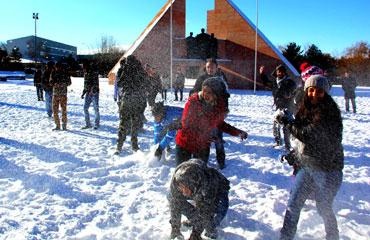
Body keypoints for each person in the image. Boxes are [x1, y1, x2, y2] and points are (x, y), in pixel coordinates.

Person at [275, 75, 344, 240]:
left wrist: (287, 123)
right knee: (293, 204)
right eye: (311, 90)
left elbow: (310, 135)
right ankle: (285, 237)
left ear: (325, 93)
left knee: (323, 207)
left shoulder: (330, 113)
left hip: (329, 170)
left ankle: (333, 236)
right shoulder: (305, 109)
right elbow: (302, 141)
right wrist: (295, 155)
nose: (314, 94)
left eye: (319, 91)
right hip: (308, 167)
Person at [175, 77, 247, 168]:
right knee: (181, 175)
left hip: (202, 146)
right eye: (217, 96)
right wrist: (204, 134)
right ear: (206, 93)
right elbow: (187, 125)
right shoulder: (193, 102)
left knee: (200, 175)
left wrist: (237, 132)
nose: (219, 99)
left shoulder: (215, 104)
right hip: (185, 144)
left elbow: (219, 123)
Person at [168, 159, 230, 240]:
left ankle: (208, 227)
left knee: (209, 225)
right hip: (196, 189)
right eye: (181, 187)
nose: (183, 192)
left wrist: (195, 234)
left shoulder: (208, 183)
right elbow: (174, 204)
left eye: (185, 188)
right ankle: (194, 219)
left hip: (218, 191)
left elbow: (206, 210)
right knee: (171, 196)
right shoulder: (176, 181)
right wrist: (175, 229)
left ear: (192, 185)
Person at [189, 58, 230, 168]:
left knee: (218, 139)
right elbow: (193, 93)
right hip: (203, 114)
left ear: (216, 67)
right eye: (208, 67)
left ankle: (221, 162)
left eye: (212, 67)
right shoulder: (201, 79)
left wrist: (225, 110)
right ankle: (203, 161)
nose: (210, 69)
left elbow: (225, 96)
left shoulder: (221, 80)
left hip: (216, 114)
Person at [115, 55, 148, 154]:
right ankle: (134, 145)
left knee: (123, 123)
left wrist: (125, 72)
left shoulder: (126, 69)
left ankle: (119, 146)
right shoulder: (140, 70)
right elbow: (146, 83)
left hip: (127, 98)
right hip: (137, 99)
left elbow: (120, 83)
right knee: (135, 124)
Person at [271, 64, 297, 150]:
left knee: (286, 127)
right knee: (275, 125)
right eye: (278, 71)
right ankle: (278, 142)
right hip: (278, 106)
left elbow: (292, 91)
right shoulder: (275, 81)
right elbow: (267, 84)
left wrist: (288, 94)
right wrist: (262, 75)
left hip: (288, 107)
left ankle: (288, 146)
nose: (280, 73)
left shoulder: (289, 81)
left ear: (284, 72)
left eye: (281, 71)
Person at [50, 62, 72, 131]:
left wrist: (61, 84)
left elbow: (69, 82)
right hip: (58, 94)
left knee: (62, 110)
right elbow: (50, 82)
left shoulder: (63, 73)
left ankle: (62, 125)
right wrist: (56, 83)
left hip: (61, 94)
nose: (57, 68)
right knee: (57, 110)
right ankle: (59, 125)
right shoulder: (54, 73)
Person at [81, 61, 100, 129]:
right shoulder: (86, 73)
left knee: (96, 109)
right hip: (88, 93)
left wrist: (92, 90)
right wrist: (83, 93)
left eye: (83, 66)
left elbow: (95, 82)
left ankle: (96, 124)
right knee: (85, 108)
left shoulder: (93, 72)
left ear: (86, 66)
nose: (82, 68)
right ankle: (88, 124)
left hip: (94, 93)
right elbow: (86, 85)